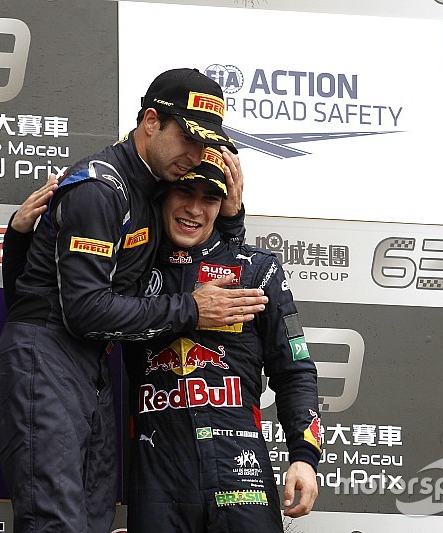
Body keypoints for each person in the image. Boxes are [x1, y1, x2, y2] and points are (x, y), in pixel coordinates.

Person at [0, 68, 269, 533]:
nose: (196, 156)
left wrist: (232, 221)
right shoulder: (102, 189)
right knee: (54, 523)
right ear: (150, 122)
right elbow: (83, 311)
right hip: (50, 359)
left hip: (89, 369)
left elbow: (185, 263)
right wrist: (192, 309)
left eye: (207, 146)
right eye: (188, 138)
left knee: (93, 519)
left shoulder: (150, 192)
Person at [123, 147, 322, 532]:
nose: (195, 209)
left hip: (242, 475)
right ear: (162, 193)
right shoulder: (129, 270)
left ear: (226, 202)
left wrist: (304, 455)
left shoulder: (257, 270)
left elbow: (294, 370)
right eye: (184, 192)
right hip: (157, 478)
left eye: (209, 198)